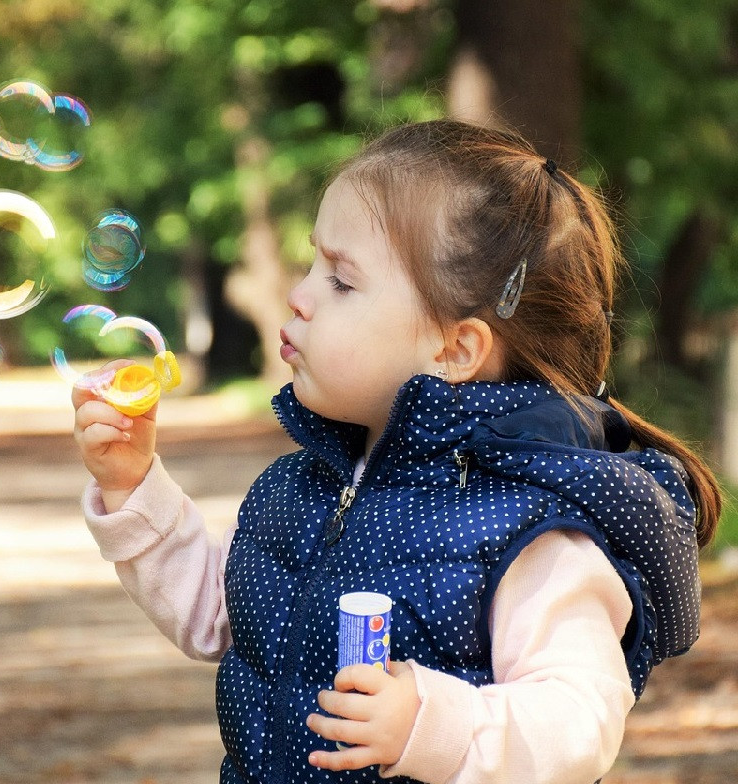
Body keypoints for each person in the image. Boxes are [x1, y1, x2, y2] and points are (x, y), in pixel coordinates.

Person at [71, 119, 720, 784]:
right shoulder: (300, 488)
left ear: (455, 349)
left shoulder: (527, 529)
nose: (298, 295)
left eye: (341, 281)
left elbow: (579, 719)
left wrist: (430, 725)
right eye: (312, 264)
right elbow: (221, 614)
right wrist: (133, 485)